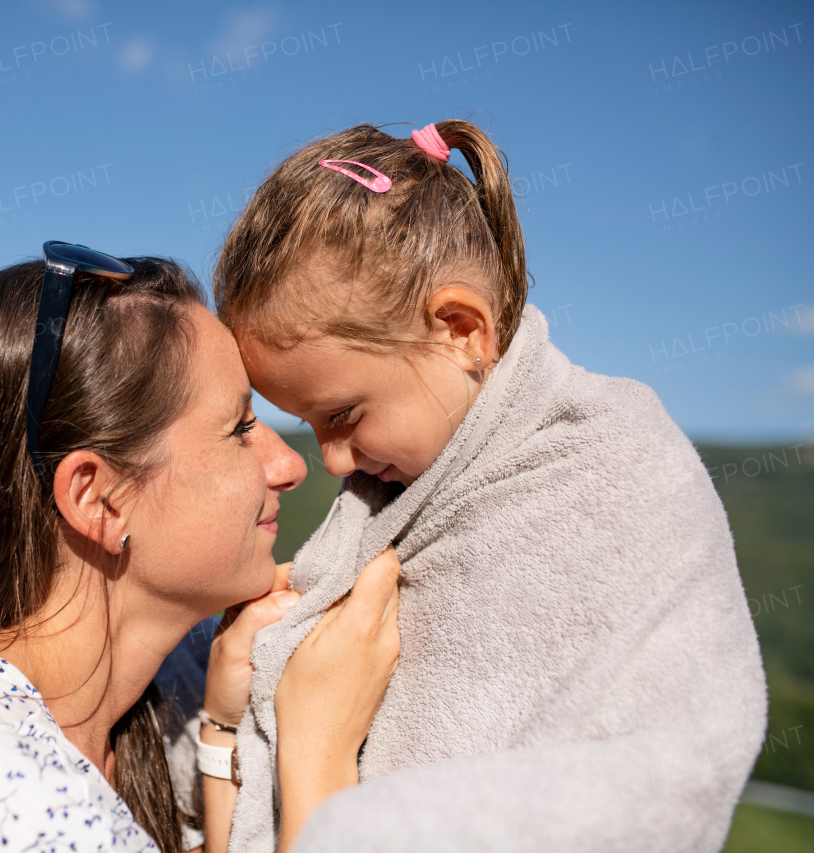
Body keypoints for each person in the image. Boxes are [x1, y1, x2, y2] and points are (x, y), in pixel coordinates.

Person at [211, 121, 768, 852]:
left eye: (342, 414)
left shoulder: (616, 470)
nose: (334, 462)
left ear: (462, 329)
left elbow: (676, 762)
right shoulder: (385, 504)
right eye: (310, 424)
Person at [0, 251, 403, 853]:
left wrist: (222, 723)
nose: (289, 465)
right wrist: (318, 748)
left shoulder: (17, 684)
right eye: (238, 428)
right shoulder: (0, 805)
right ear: (98, 498)